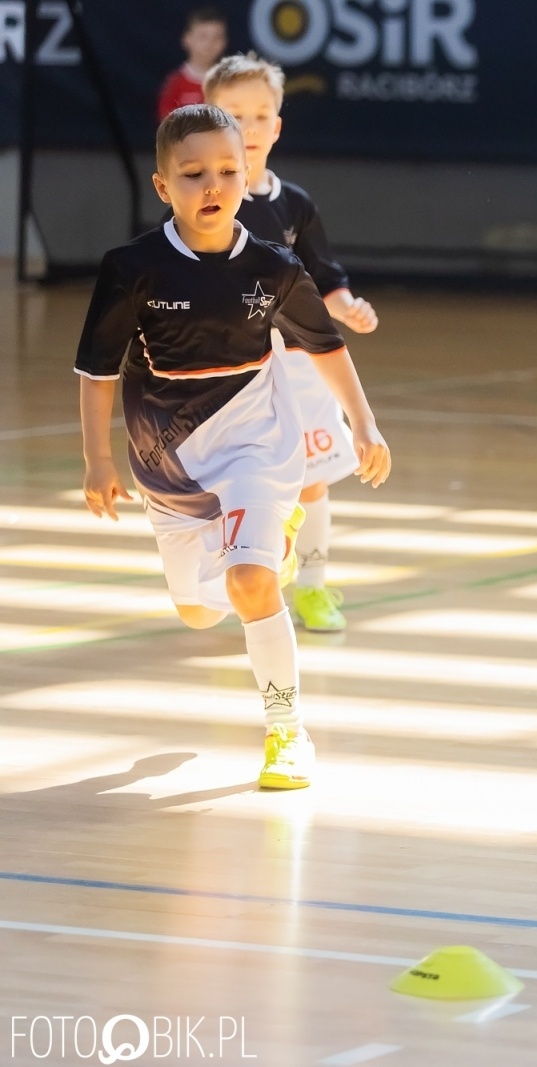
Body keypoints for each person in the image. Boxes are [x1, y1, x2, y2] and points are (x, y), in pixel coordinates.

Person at [76, 105, 392, 789]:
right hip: (168, 463)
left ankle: (286, 731)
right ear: (163, 187)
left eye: (227, 169)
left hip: (257, 447)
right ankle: (256, 559)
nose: (213, 184)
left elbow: (325, 345)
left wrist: (362, 423)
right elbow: (97, 371)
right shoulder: (131, 269)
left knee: (249, 583)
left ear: (247, 174)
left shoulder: (275, 267)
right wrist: (98, 460)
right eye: (193, 174)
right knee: (196, 612)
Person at [206, 53, 381, 633]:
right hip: (233, 370)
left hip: (300, 365)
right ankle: (243, 581)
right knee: (238, 482)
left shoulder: (295, 204)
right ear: (208, 121)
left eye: (261, 115)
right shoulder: (201, 202)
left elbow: (324, 277)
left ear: (277, 126)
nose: (249, 128)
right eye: (234, 115)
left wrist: (345, 305)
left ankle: (312, 585)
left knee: (312, 480)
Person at [157, 7, 227, 120]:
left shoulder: (229, 82)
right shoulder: (174, 83)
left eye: (217, 37)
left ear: (225, 41)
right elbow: (166, 128)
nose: (210, 43)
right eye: (203, 37)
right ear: (187, 39)